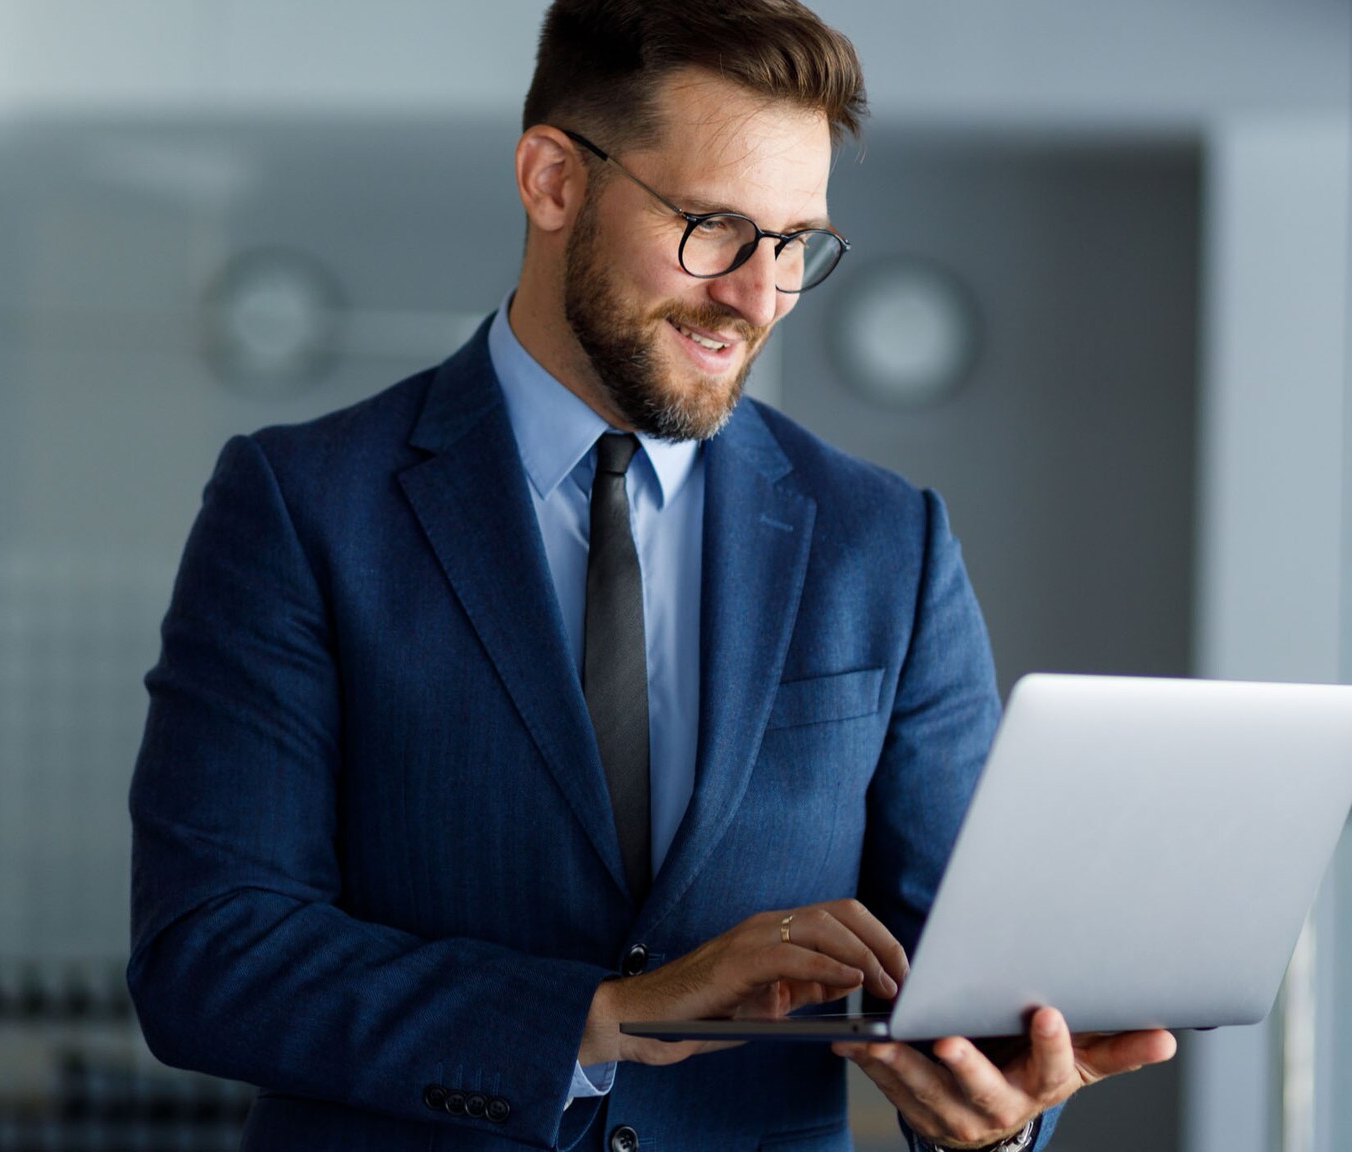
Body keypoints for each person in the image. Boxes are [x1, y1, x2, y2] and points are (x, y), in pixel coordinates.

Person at [125, 2, 1174, 1149]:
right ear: (551, 181)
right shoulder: (302, 505)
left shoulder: (884, 541)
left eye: (795, 243)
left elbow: (959, 977)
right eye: (714, 226)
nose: (757, 295)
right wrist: (595, 1018)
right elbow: (211, 954)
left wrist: (993, 1115)